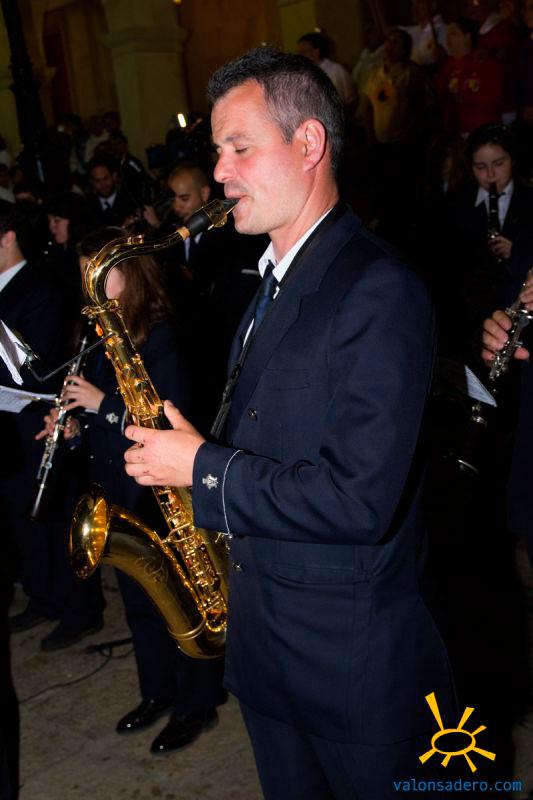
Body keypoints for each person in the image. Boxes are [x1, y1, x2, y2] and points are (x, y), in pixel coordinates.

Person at [122, 47, 455, 800]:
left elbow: (359, 501)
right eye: (218, 152)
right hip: (269, 657)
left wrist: (201, 468)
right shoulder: (269, 281)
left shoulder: (379, 287)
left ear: (308, 143)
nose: (220, 173)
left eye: (239, 148)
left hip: (350, 675)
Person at [38, 226, 226, 749]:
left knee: (182, 602)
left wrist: (100, 405)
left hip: (161, 491)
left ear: (129, 273)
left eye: (97, 276)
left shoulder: (161, 337)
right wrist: (74, 429)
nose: (88, 288)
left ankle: (196, 704)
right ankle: (157, 691)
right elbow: (98, 419)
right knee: (141, 602)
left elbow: (166, 422)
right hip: (119, 485)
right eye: (83, 277)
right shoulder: (100, 333)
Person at [297, 31, 355, 105]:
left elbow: (351, 99)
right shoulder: (303, 74)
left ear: (316, 52)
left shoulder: (337, 70)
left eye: (303, 52)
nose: (300, 57)